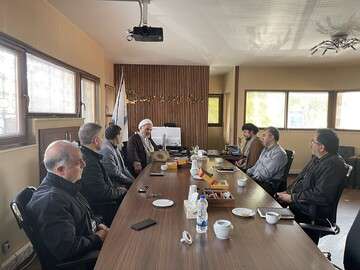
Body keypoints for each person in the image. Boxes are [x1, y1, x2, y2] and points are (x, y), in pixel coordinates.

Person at [26, 140, 108, 267]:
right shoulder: (51, 201)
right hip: (83, 260)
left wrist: (98, 224)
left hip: (91, 241)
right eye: (78, 162)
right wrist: (98, 238)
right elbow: (67, 249)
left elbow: (84, 217)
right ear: (61, 169)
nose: (84, 164)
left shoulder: (67, 186)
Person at [276, 129, 347, 243]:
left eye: (313, 141)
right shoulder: (317, 159)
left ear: (322, 147)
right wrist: (288, 192)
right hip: (301, 204)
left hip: (311, 213)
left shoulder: (333, 165)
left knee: (274, 225)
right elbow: (300, 179)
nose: (310, 144)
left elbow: (321, 195)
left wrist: (292, 198)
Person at [78, 123, 127, 225]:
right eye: (102, 137)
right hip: (102, 209)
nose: (104, 141)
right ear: (96, 140)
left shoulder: (89, 155)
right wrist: (121, 192)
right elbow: (101, 193)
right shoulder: (89, 162)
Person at [247, 126, 288, 196]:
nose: (261, 138)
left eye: (264, 135)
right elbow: (257, 165)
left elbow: (266, 174)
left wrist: (251, 179)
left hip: (269, 184)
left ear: (272, 137)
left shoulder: (279, 153)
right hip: (259, 180)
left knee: (245, 190)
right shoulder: (265, 149)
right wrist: (247, 173)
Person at [100, 124, 134, 189]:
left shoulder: (114, 146)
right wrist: (132, 182)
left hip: (121, 183)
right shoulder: (106, 150)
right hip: (114, 186)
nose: (122, 137)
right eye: (121, 135)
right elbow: (114, 173)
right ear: (116, 136)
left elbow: (124, 169)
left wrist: (134, 180)